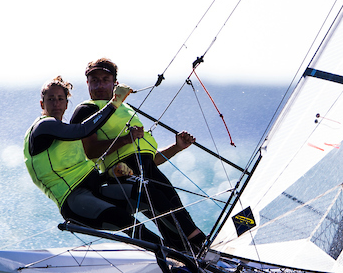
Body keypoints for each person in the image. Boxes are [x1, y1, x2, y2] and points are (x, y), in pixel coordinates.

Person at [70, 58, 207, 254]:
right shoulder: (87, 110)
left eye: (105, 79)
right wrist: (125, 139)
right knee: (160, 203)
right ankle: (201, 245)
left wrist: (176, 148)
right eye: (94, 80)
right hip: (120, 171)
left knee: (175, 207)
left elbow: (148, 160)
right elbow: (91, 151)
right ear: (87, 83)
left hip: (144, 168)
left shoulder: (125, 110)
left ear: (115, 83)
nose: (99, 85)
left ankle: (188, 256)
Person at [24, 76, 159, 243]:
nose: (56, 103)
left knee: (150, 194)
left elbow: (82, 170)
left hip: (96, 190)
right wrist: (115, 102)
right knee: (128, 222)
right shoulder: (43, 126)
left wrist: (110, 173)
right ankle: (170, 259)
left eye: (60, 99)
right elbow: (84, 129)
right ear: (42, 104)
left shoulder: (65, 133)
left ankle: (186, 249)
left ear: (67, 104)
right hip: (75, 202)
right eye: (50, 99)